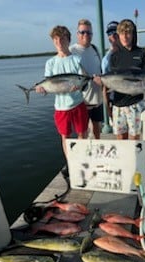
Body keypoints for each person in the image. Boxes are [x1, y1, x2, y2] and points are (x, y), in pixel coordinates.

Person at [36, 25, 89, 173]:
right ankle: (71, 163)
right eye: (56, 39)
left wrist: (78, 86)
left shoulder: (76, 59)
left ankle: (81, 160)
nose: (59, 41)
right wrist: (42, 89)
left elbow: (83, 79)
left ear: (68, 40)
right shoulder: (50, 63)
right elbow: (49, 85)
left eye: (62, 38)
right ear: (53, 41)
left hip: (78, 103)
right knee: (65, 136)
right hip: (61, 107)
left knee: (82, 133)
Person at [109, 19, 145, 140]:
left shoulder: (142, 53)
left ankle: (134, 159)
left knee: (134, 138)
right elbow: (112, 80)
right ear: (118, 35)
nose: (125, 37)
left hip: (135, 103)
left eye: (128, 33)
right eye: (122, 33)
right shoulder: (114, 56)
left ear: (133, 34)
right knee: (120, 138)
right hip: (118, 104)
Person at [70, 19, 103, 139]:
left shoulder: (95, 49)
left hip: (97, 100)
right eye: (83, 32)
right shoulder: (71, 51)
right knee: (81, 133)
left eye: (89, 33)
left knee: (97, 130)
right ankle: (82, 157)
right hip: (81, 102)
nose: (86, 35)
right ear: (77, 34)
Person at [101, 21, 119, 122]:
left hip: (132, 99)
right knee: (120, 136)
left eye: (115, 31)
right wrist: (108, 109)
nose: (113, 35)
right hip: (115, 101)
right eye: (109, 33)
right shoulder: (106, 60)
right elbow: (105, 87)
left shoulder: (130, 53)